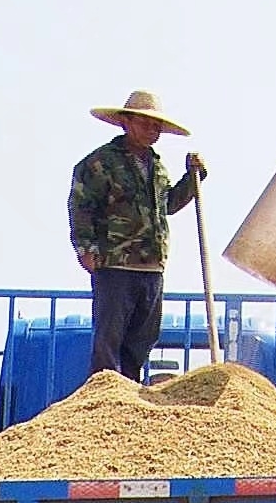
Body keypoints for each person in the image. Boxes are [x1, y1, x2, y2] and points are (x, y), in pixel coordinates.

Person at [68, 90, 207, 380]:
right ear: (126, 122)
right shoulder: (100, 163)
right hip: (116, 261)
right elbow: (82, 206)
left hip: (151, 264)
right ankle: (104, 392)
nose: (151, 130)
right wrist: (85, 248)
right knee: (110, 337)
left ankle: (129, 390)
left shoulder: (156, 167)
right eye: (145, 123)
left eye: (156, 126)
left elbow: (167, 204)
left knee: (143, 337)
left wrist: (193, 179)